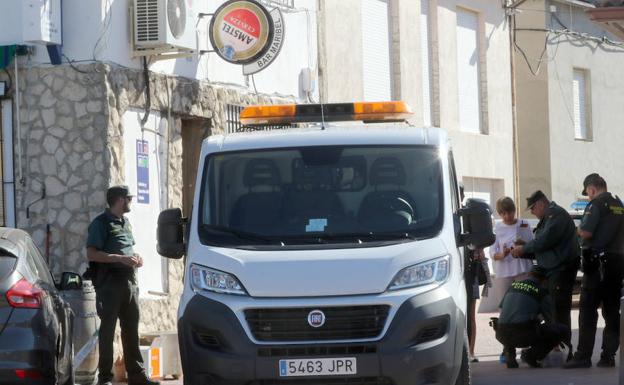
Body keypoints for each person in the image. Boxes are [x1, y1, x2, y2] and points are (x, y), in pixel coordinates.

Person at [86, 185, 159, 385]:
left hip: (130, 283)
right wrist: (119, 258)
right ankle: (105, 379)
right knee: (107, 332)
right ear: (120, 200)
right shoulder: (100, 224)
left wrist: (137, 258)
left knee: (131, 331)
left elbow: (128, 250)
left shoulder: (125, 223)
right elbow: (91, 253)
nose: (130, 202)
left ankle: (137, 376)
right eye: (129, 198)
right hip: (109, 285)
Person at [564, 174, 624, 368]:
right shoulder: (619, 205)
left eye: (588, 193)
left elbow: (587, 232)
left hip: (597, 265)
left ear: (591, 189)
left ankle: (583, 356)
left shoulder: (596, 205)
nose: (588, 197)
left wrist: (579, 230)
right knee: (612, 311)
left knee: (588, 311)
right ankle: (608, 356)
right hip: (616, 264)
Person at [510, 190, 579, 358]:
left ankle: (566, 348)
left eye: (533, 208)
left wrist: (524, 248)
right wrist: (523, 249)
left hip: (560, 270)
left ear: (541, 203)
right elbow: (543, 248)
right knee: (550, 309)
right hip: (552, 270)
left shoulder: (555, 216)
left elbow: (544, 241)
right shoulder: (548, 218)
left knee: (559, 310)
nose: (532, 212)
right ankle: (554, 345)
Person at [493, 266, 567, 368]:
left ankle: (509, 354)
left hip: (501, 333)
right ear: (544, 280)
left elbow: (503, 309)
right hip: (523, 335)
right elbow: (550, 320)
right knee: (561, 329)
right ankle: (531, 355)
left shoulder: (513, 286)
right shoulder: (541, 291)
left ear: (529, 275)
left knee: (510, 321)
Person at [490, 196, 534, 363]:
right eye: (503, 213)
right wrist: (503, 254)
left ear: (515, 210)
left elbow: (531, 243)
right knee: (505, 309)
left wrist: (521, 246)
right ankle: (507, 347)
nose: (507, 216)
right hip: (504, 272)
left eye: (510, 212)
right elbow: (493, 253)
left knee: (525, 306)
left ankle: (527, 344)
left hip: (522, 269)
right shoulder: (497, 228)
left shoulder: (523, 224)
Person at [464, 248, 489, 362]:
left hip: (471, 276)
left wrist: (478, 253)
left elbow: (482, 254)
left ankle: (471, 352)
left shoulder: (473, 238)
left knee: (470, 317)